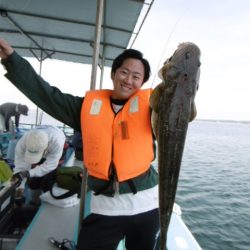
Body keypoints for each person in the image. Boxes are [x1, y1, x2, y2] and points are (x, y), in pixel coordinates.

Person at [0, 38, 196, 249]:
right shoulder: (85, 108)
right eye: (124, 72)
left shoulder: (153, 109)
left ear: (143, 83)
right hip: (106, 208)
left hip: (147, 206)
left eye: (136, 76)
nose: (128, 80)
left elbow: (180, 107)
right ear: (113, 74)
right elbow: (46, 95)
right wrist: (12, 60)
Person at [11, 125, 66, 206]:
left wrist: (29, 173)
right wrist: (19, 189)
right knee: (33, 182)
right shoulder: (23, 142)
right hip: (43, 147)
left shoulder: (57, 142)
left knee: (49, 181)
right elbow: (20, 165)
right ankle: (35, 201)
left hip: (54, 153)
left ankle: (47, 203)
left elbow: (50, 165)